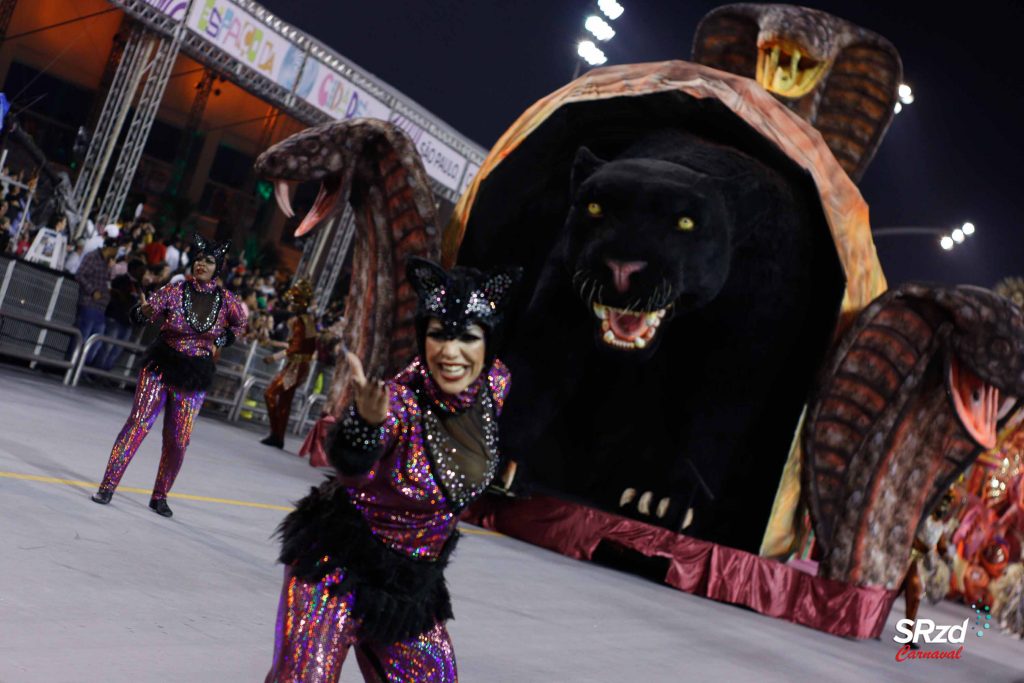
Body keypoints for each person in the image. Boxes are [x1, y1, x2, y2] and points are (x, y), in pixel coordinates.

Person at [264, 257, 520, 682]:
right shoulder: (400, 404)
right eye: (438, 335)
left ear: (488, 344)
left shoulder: (495, 386)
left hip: (409, 590)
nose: (450, 353)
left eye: (467, 338)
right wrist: (364, 428)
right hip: (335, 574)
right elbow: (352, 467)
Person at [90, 234, 247, 517]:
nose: (201, 264)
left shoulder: (227, 302)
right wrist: (142, 311)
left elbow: (239, 325)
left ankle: (160, 495)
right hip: (161, 367)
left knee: (179, 439)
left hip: (194, 375)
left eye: (208, 261)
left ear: (218, 268)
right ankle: (107, 485)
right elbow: (139, 316)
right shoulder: (175, 290)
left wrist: (223, 340)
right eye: (198, 259)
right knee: (137, 424)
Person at [260, 278, 317, 449]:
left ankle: (275, 433)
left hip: (295, 367)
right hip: (300, 366)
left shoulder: (301, 321)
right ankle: (278, 437)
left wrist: (274, 357)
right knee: (284, 401)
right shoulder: (309, 321)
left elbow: (296, 347)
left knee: (270, 394)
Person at [74, 239, 117, 365]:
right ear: (109, 248)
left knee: (95, 341)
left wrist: (111, 269)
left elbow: (108, 282)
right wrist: (92, 291)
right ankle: (72, 366)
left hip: (101, 307)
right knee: (82, 338)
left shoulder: (107, 263)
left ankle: (82, 367)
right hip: (89, 303)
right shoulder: (92, 257)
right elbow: (79, 274)